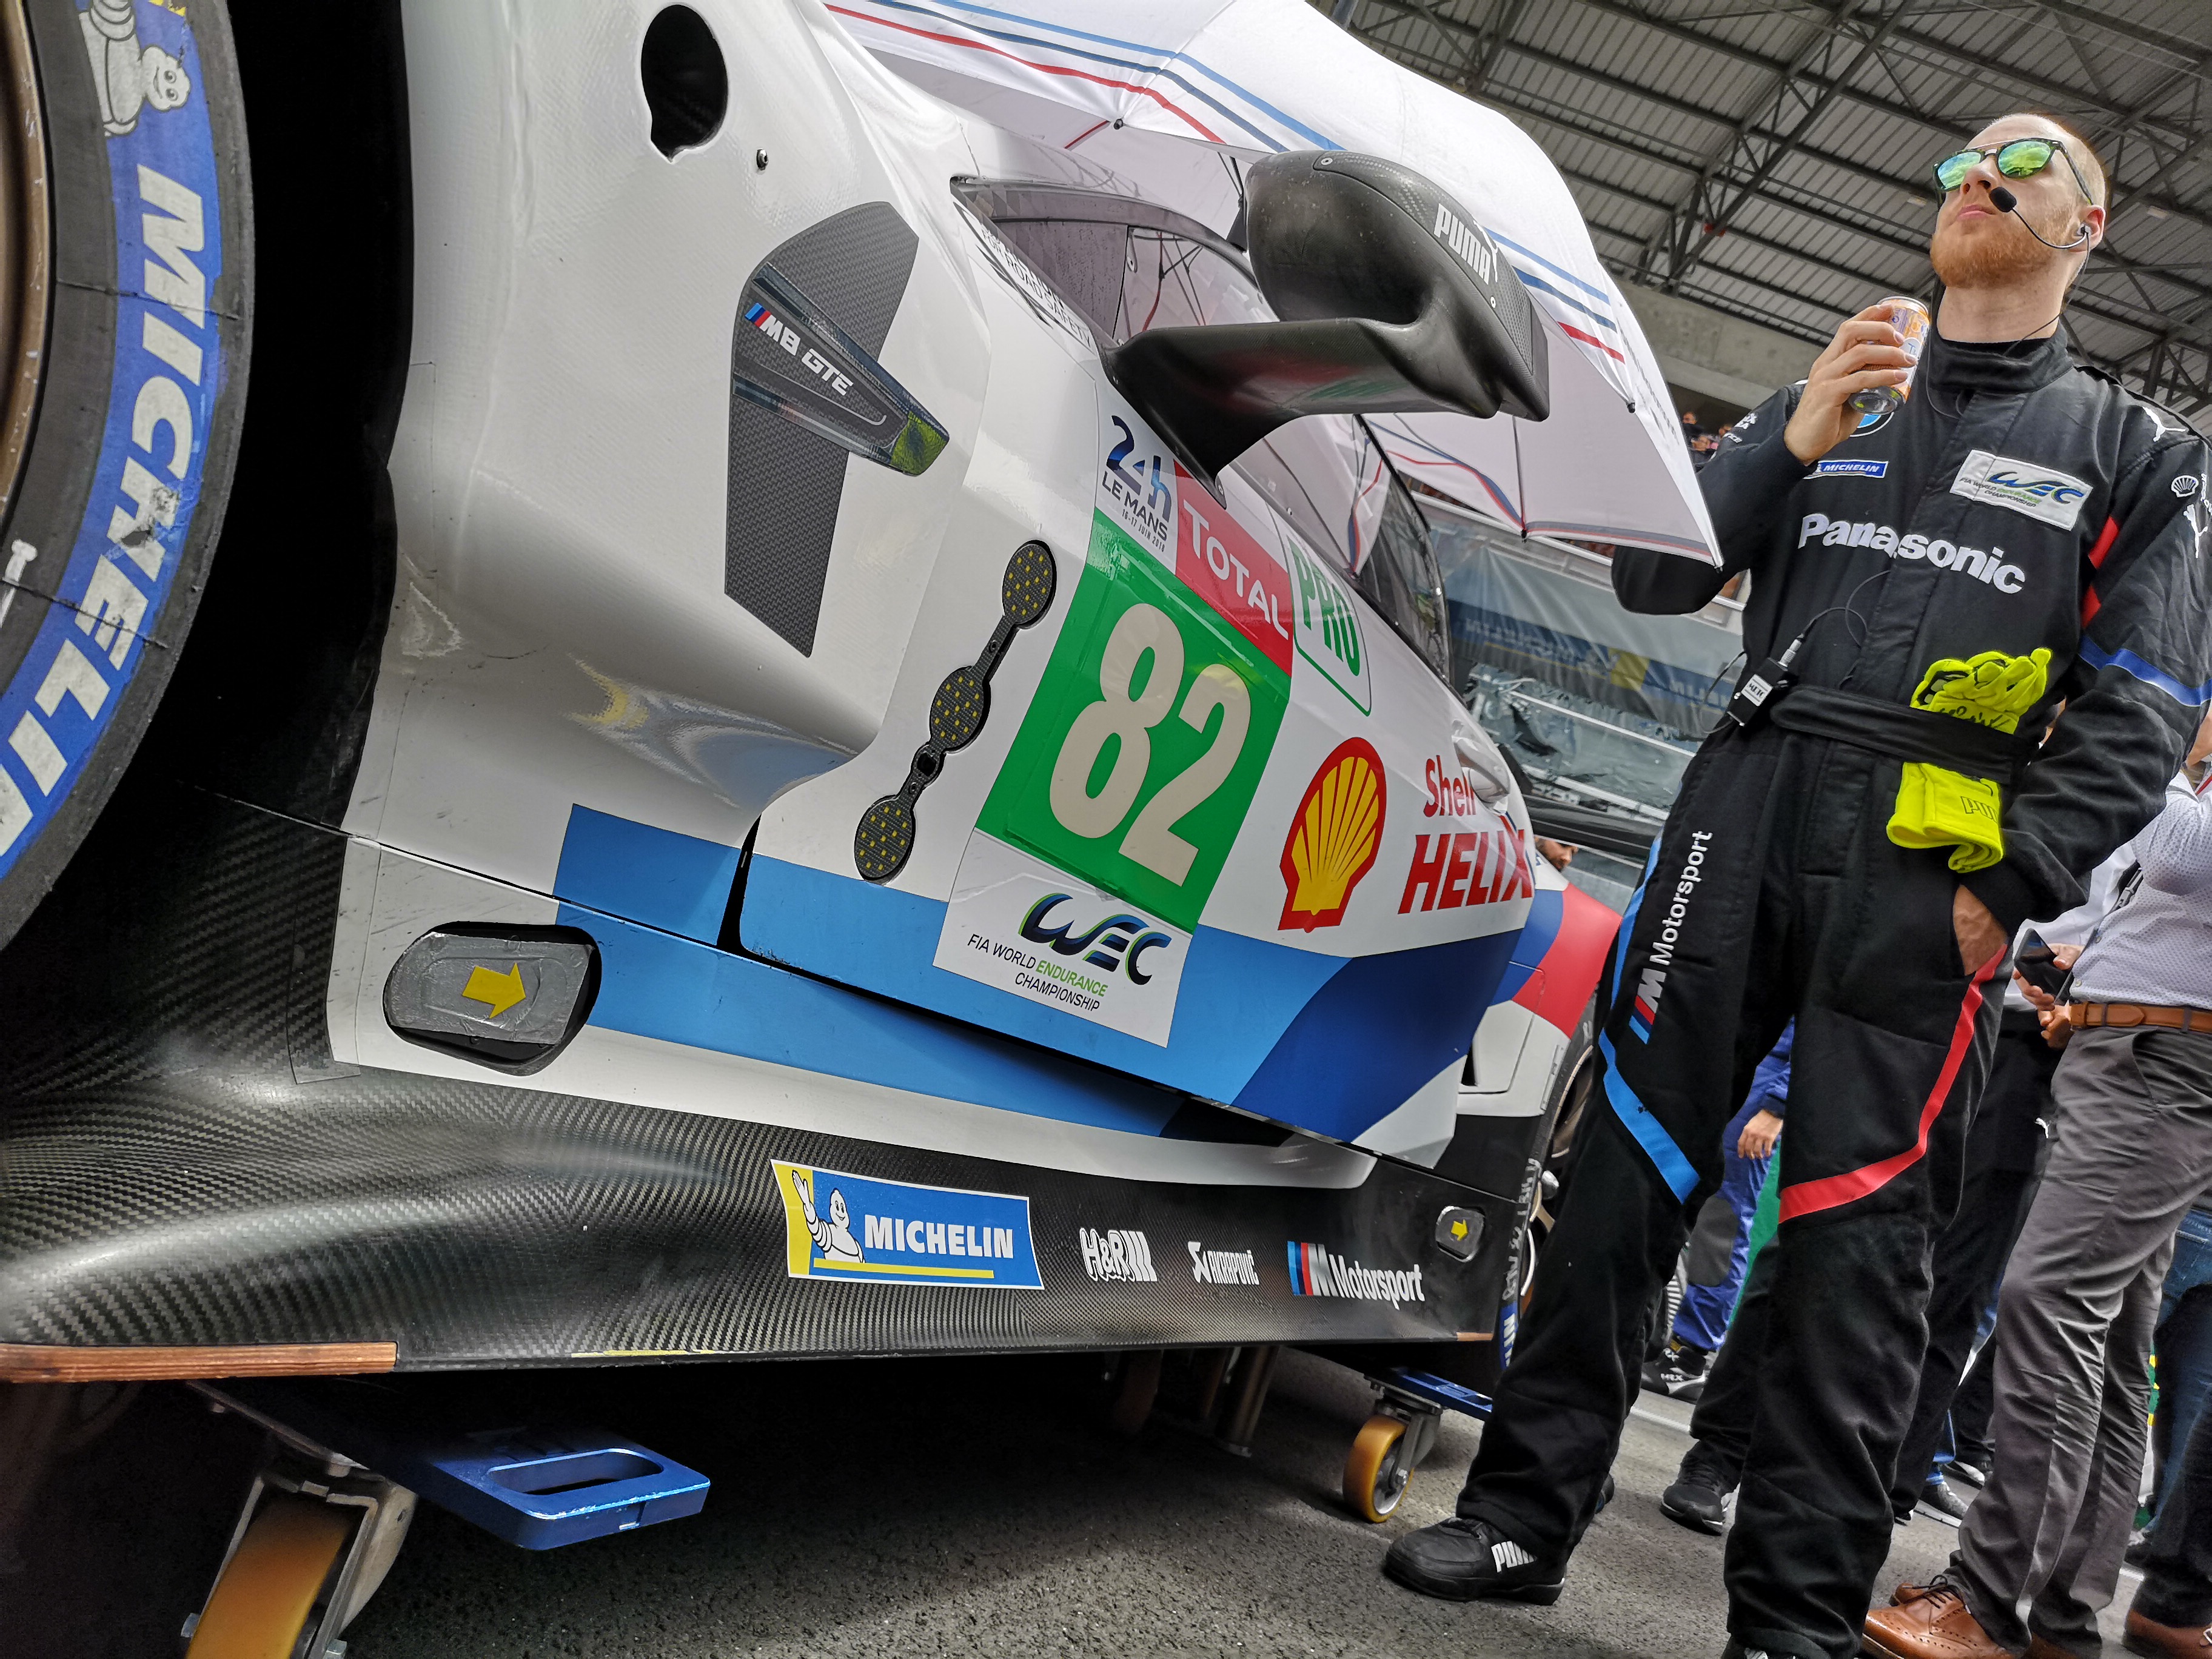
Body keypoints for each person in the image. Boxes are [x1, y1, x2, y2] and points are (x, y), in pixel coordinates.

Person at [1381, 111, 2212, 1659]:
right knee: (1625, 1172)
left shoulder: (2136, 456)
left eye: (2018, 166)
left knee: (1858, 1239)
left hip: (1929, 865)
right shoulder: (1836, 391)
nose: (1975, 177)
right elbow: (1653, 573)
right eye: (1960, 161)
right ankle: (1517, 1516)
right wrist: (1791, 434)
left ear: (2085, 229)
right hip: (1741, 802)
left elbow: (2145, 703)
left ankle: (1791, 1613)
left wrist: (2008, 887)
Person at [1868, 721, 2212, 1659]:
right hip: (2136, 1052)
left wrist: (2139, 721)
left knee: (2053, 1306)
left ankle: (1987, 1597)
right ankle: (2061, 1608)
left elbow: (2183, 850)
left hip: (2165, 1062)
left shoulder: (2182, 776)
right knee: (2102, 1343)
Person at [1644, 1025, 1792, 1401]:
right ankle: (1650, 1332)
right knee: (1669, 1195)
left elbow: (1821, 1023)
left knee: (1723, 1218)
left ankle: (1687, 1358)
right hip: (1728, 1063)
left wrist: (1778, 1104)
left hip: (1767, 1079)